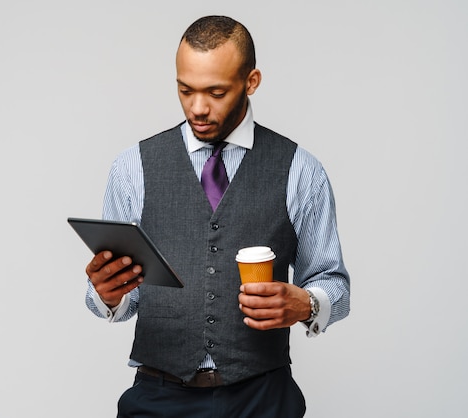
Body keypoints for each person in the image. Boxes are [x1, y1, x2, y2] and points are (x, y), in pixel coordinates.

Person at [84, 15, 350, 418]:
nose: (198, 108)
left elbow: (334, 283)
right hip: (158, 397)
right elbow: (123, 296)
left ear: (251, 81)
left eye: (216, 92)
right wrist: (109, 294)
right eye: (185, 90)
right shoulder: (132, 168)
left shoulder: (301, 170)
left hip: (263, 399)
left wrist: (307, 304)